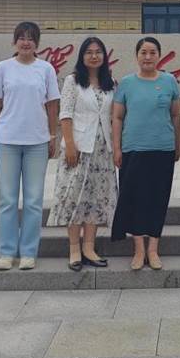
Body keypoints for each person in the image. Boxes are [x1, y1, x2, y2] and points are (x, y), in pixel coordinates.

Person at [0, 21, 60, 271]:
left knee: (33, 200)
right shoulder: (3, 68)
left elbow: (52, 104)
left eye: (30, 38)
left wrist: (52, 135)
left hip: (37, 142)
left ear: (37, 43)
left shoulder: (46, 69)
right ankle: (7, 252)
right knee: (8, 200)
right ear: (14, 41)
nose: (26, 42)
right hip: (7, 140)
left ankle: (28, 251)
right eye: (21, 37)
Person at [111, 36, 180, 271]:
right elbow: (117, 117)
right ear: (137, 56)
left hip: (162, 149)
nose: (148, 57)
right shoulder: (127, 83)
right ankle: (139, 250)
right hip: (133, 149)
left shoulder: (169, 81)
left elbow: (175, 115)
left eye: (152, 52)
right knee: (135, 199)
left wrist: (177, 145)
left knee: (158, 199)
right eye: (143, 52)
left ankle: (153, 249)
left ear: (159, 55)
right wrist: (117, 148)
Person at [47, 37, 118, 271]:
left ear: (104, 56)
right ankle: (74, 249)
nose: (94, 56)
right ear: (82, 56)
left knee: (95, 198)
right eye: (89, 52)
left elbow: (114, 116)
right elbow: (65, 113)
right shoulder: (73, 81)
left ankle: (89, 247)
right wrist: (69, 144)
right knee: (74, 197)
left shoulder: (111, 83)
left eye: (98, 52)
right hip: (78, 148)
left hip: (102, 150)